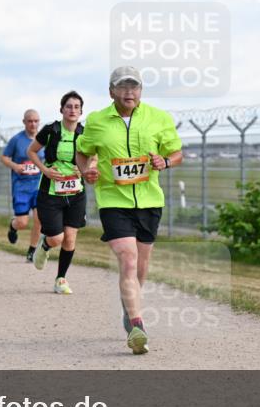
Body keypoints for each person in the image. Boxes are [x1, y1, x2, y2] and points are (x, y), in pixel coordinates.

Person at [75, 66, 183, 355]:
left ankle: (129, 307)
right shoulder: (97, 121)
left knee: (141, 267)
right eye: (122, 87)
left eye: (133, 87)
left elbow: (177, 152)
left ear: (141, 91)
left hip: (149, 201)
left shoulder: (158, 118)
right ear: (111, 92)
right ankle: (137, 325)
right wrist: (86, 171)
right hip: (113, 200)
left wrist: (166, 162)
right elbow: (82, 151)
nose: (129, 92)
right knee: (128, 258)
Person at [27, 91, 89, 294]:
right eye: (69, 106)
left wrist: (85, 168)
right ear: (61, 109)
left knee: (70, 237)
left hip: (76, 192)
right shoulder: (51, 130)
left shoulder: (85, 134)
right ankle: (45, 245)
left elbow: (94, 156)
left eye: (77, 107)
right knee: (56, 238)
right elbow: (31, 151)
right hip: (50, 192)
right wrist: (45, 170)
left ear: (81, 111)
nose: (73, 110)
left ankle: (61, 279)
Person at [1, 109, 42, 261]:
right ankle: (13, 226)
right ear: (24, 122)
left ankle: (32, 250)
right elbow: (4, 157)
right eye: (30, 121)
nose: (33, 124)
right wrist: (15, 166)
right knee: (22, 222)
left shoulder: (43, 139)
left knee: (40, 219)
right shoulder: (17, 140)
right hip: (21, 187)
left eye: (36, 121)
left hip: (39, 185)